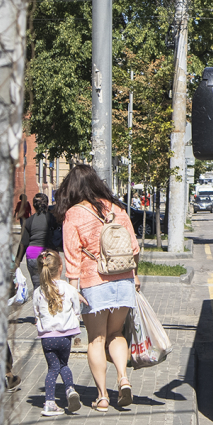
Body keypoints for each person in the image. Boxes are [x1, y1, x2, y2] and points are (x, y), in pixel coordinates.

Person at [55, 165, 141, 412]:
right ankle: (123, 378)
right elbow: (134, 249)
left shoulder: (74, 214)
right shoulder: (117, 209)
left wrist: (73, 292)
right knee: (116, 334)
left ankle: (102, 397)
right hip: (123, 280)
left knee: (96, 339)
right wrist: (133, 276)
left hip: (93, 283)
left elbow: (72, 259)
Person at [33, 250, 83, 416]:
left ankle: (49, 403)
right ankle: (70, 390)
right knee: (64, 364)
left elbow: (36, 314)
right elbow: (77, 309)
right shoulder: (69, 289)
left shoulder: (38, 292)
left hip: (47, 337)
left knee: (53, 368)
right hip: (65, 336)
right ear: (61, 267)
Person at [14, 193, 57, 291]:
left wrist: (17, 261)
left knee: (37, 288)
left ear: (34, 206)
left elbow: (24, 242)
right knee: (51, 287)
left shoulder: (29, 221)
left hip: (32, 256)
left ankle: (38, 305)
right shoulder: (52, 219)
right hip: (48, 255)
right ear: (47, 204)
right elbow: (57, 237)